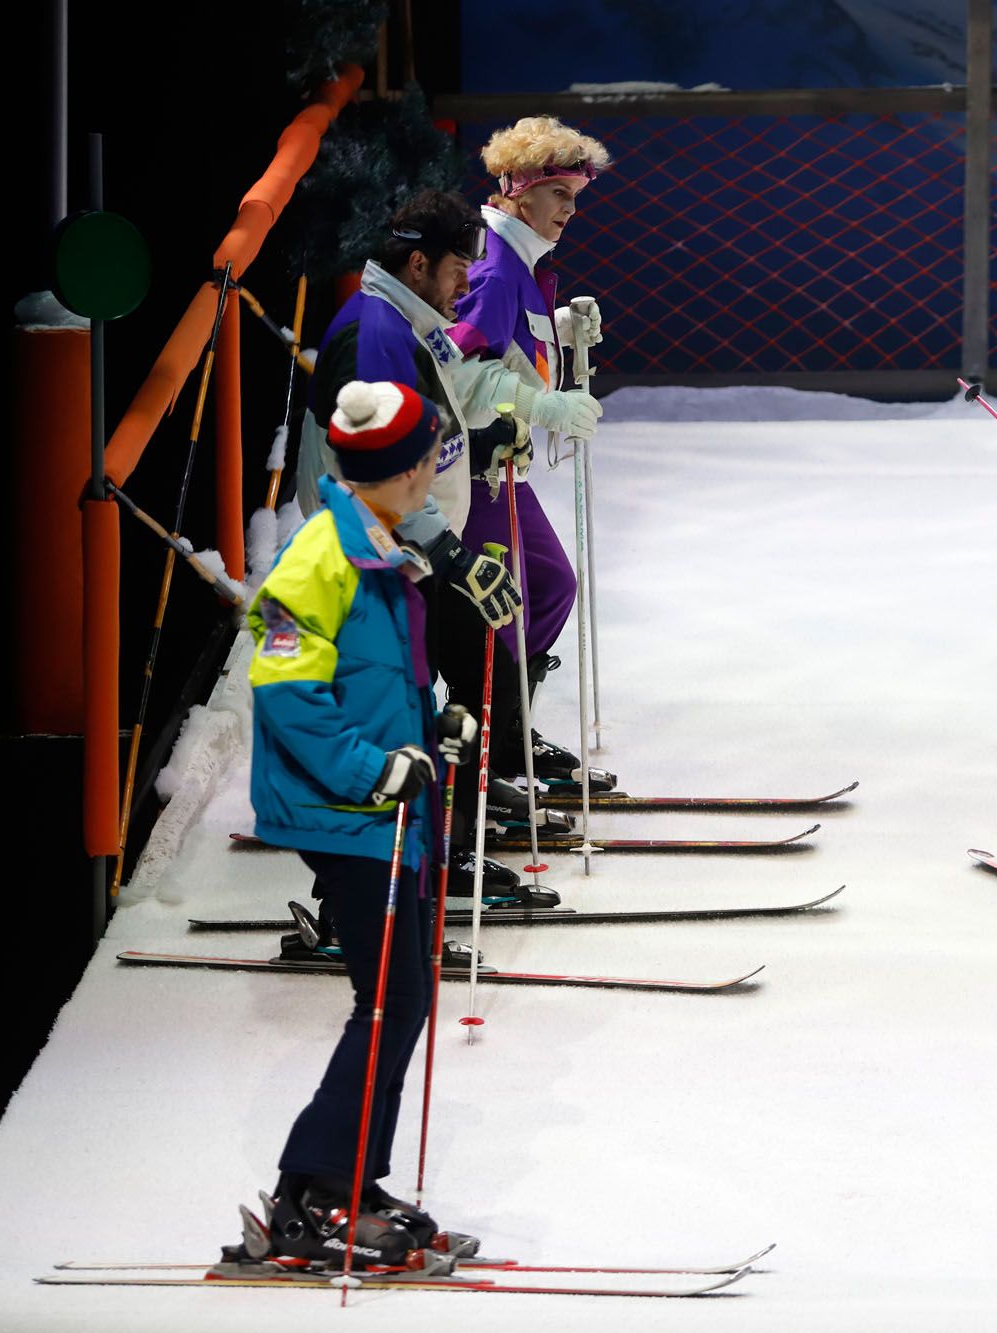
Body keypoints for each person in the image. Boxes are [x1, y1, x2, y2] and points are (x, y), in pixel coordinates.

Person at [248, 380, 481, 1267]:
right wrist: (372, 769)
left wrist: (432, 723)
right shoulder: (321, 554)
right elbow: (286, 691)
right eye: (425, 459)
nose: (433, 472)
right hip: (348, 814)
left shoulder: (378, 544)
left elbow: (374, 676)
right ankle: (310, 1190)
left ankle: (350, 1180)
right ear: (396, 467)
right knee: (388, 1000)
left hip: (388, 812)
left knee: (399, 999)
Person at [294, 188, 560, 907]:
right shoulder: (376, 334)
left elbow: (421, 427)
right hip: (372, 559)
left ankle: (451, 856)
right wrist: (450, 554)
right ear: (417, 264)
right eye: (456, 269)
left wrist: (481, 439)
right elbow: (374, 472)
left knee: (480, 674)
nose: (467, 284)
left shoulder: (412, 318)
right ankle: (346, 903)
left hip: (413, 549)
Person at [447, 115, 615, 795]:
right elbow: (455, 370)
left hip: (502, 466)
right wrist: (543, 405)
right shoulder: (493, 264)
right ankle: (486, 752)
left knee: (548, 584)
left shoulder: (519, 259)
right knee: (504, 602)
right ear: (519, 189)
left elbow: (511, 348)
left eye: (575, 197)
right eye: (560, 196)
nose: (571, 212)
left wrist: (563, 334)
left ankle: (506, 734)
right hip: (468, 468)